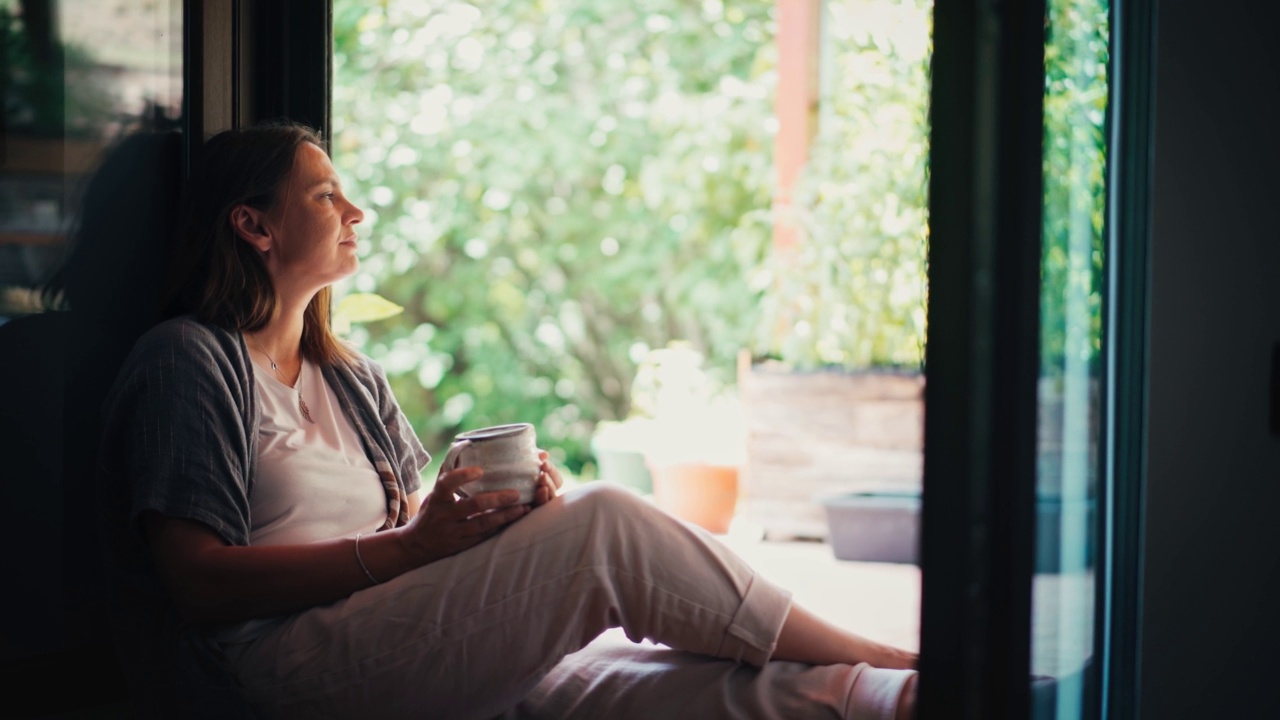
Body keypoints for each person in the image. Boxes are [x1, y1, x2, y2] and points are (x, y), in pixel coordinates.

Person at [97, 122, 919, 720]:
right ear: (253, 225)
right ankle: (880, 652)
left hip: (386, 641)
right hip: (275, 671)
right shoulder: (188, 360)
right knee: (603, 525)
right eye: (325, 193)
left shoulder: (349, 378)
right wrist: (415, 546)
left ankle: (903, 693)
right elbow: (197, 583)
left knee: (673, 687)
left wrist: (485, 520)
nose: (356, 211)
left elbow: (407, 539)